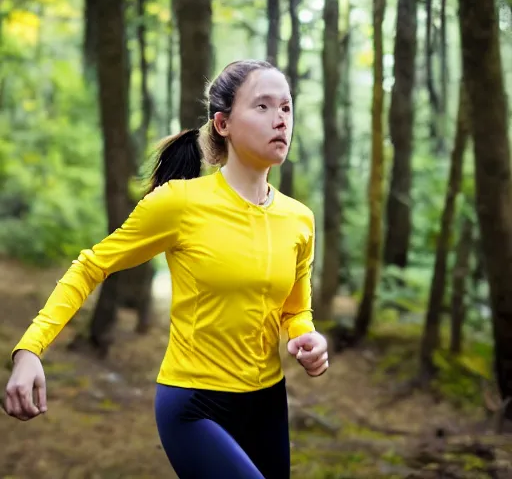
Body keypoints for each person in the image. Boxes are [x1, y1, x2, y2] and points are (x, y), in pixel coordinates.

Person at [3, 59, 329, 478]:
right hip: (194, 406)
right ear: (223, 123)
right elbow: (91, 266)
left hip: (267, 402)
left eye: (286, 107)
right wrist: (30, 348)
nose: (280, 119)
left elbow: (294, 310)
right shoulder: (180, 202)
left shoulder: (299, 219)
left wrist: (307, 337)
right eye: (263, 106)